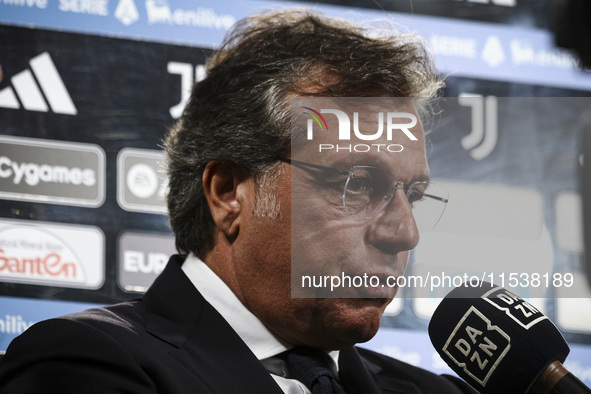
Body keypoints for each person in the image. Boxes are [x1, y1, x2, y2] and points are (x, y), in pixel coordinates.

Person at [0, 9, 476, 394]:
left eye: (412, 195)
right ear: (229, 192)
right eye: (356, 183)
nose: (404, 232)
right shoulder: (84, 363)